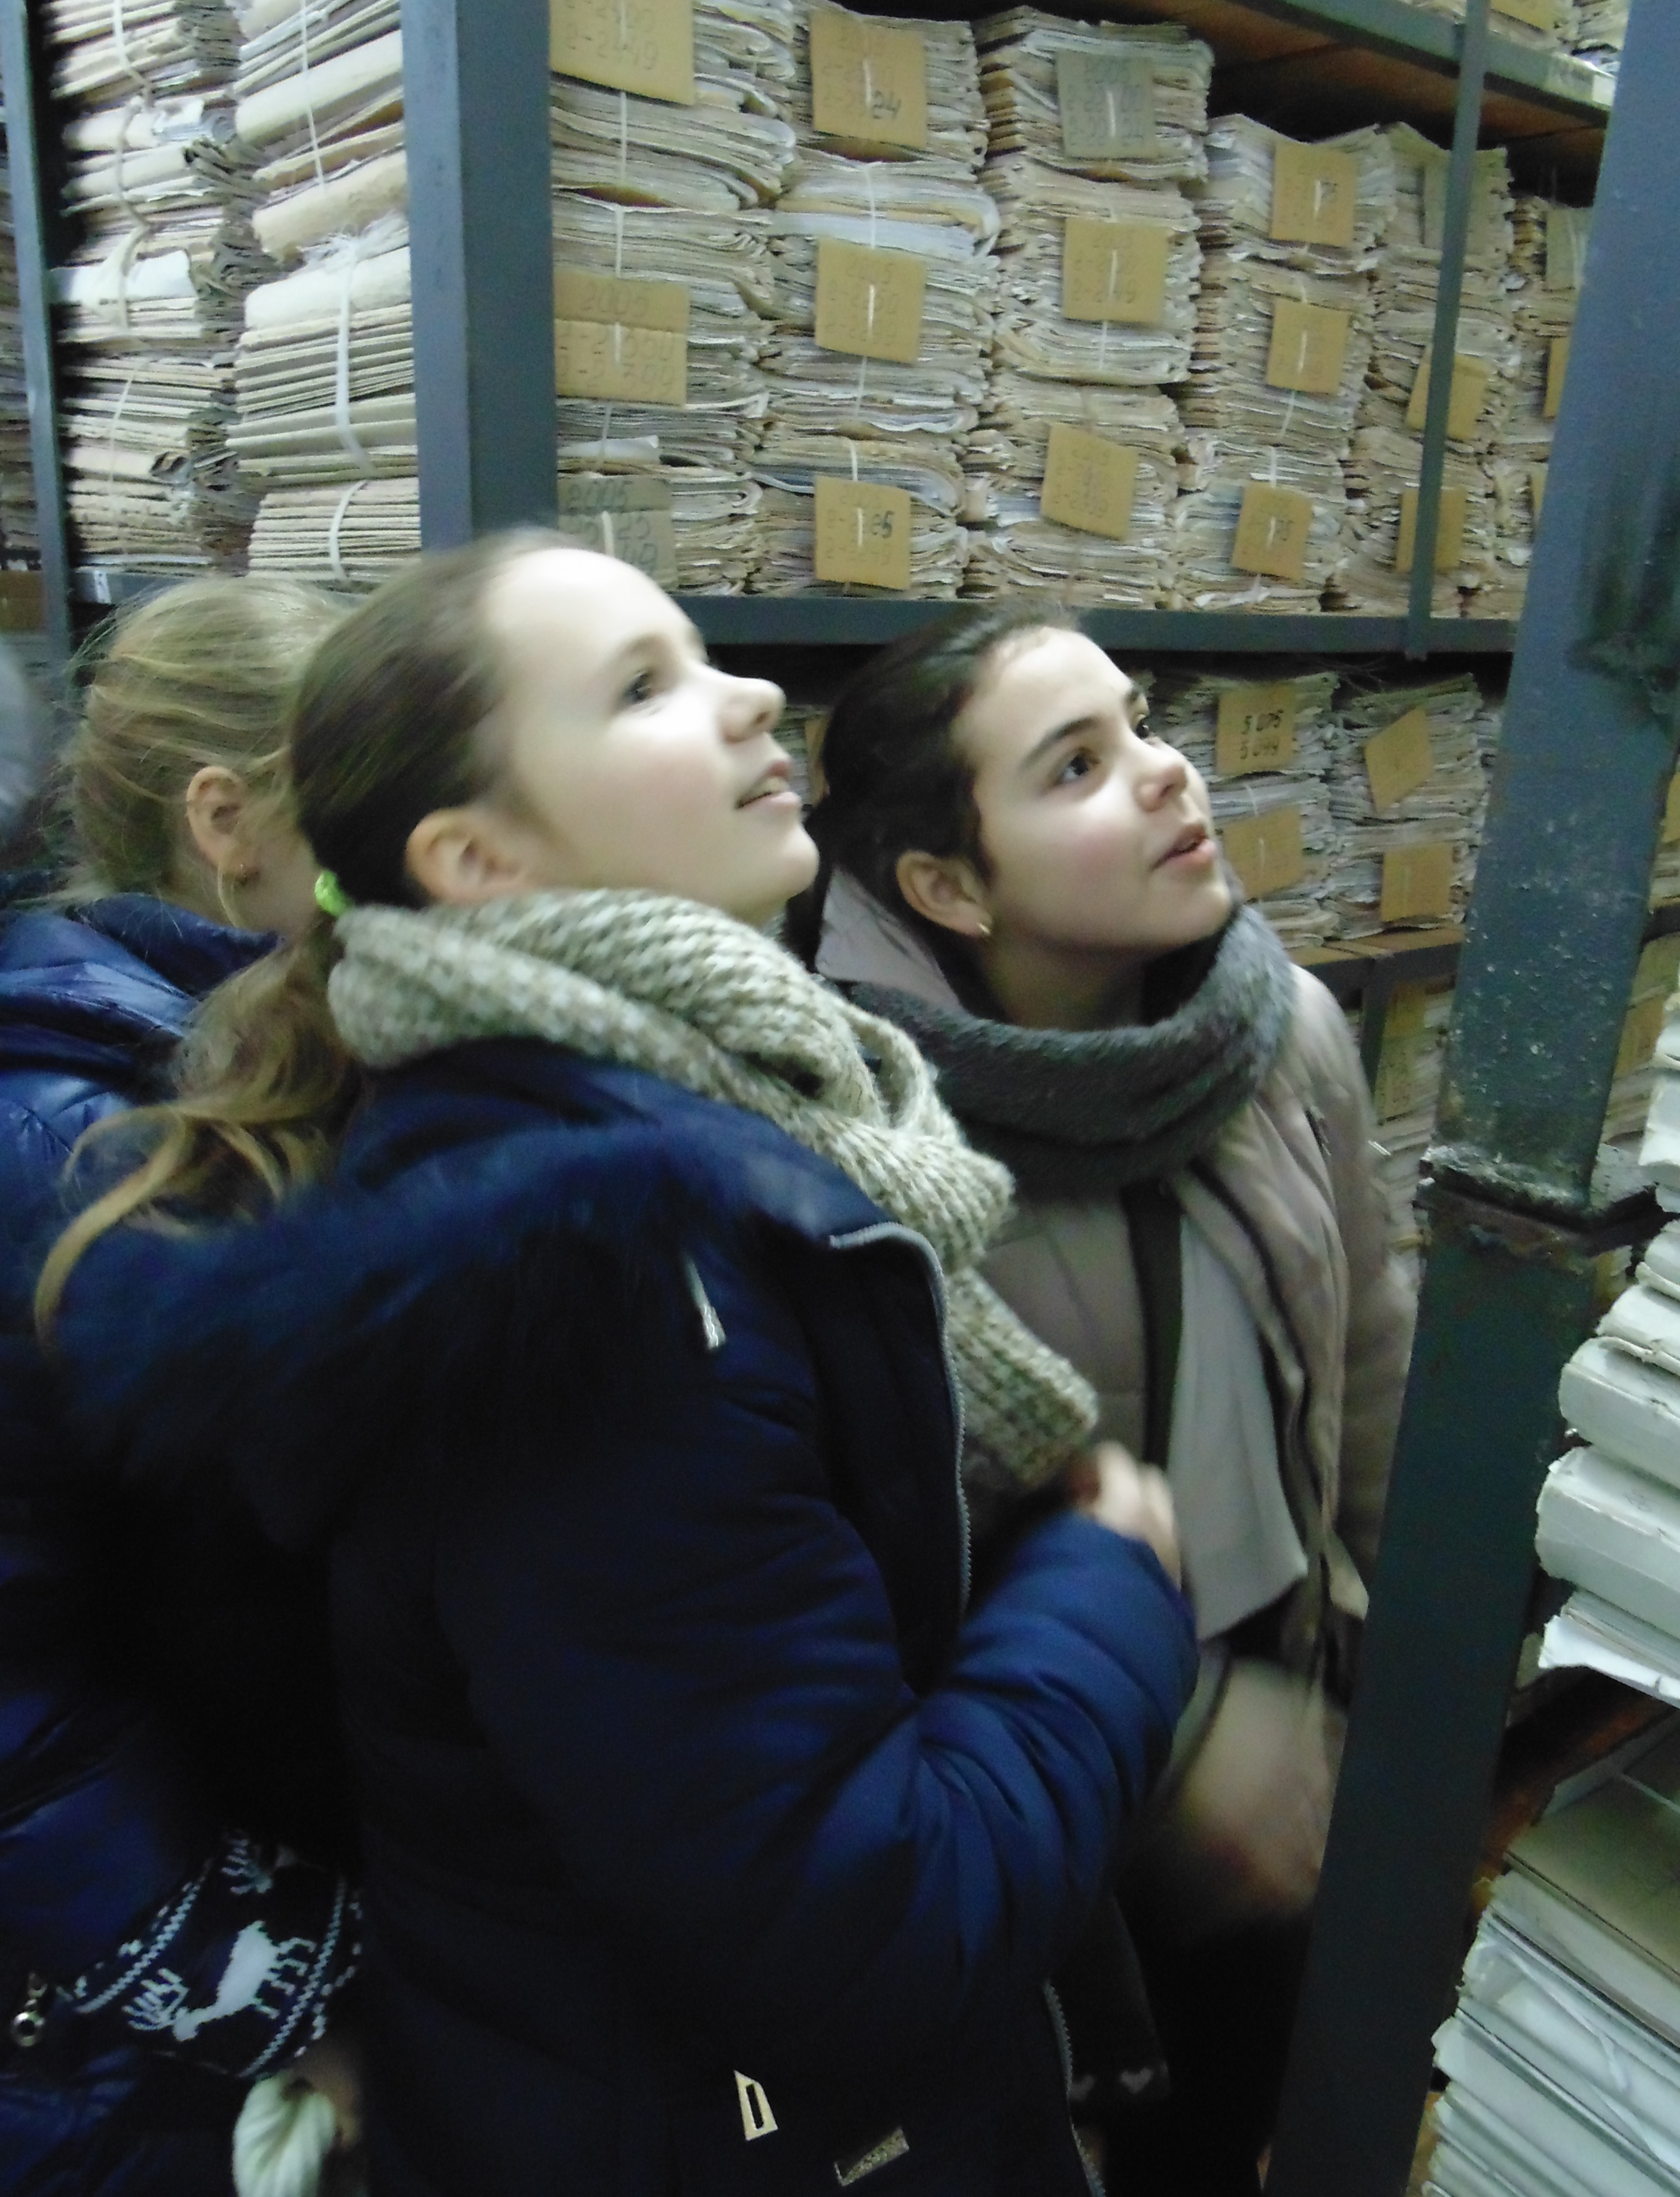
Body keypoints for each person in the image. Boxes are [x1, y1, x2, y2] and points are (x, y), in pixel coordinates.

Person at [39, 534, 1198, 2197]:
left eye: (706, 653)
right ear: (479, 859)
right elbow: (856, 1931)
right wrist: (1111, 1584)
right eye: (644, 688)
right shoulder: (601, 1279)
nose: (755, 697)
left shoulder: (691, 1131)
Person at [792, 604, 1416, 2197]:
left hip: (1294, 1706)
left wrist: (1393, 1662)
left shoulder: (1280, 1034)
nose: (1164, 771)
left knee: (1232, 2113)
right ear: (948, 886)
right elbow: (878, 1569)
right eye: (1075, 766)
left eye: (1140, 722)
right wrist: (1185, 1740)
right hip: (1044, 1775)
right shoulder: (860, 1155)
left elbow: (1367, 1360)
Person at [0, 578, 363, 2197]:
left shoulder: (286, 1077)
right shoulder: (75, 1149)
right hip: (150, 2063)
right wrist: (284, 1988)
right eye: (365, 817)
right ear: (227, 824)